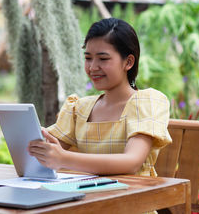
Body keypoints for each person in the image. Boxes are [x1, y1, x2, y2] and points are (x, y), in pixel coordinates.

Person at [28, 18, 171, 176]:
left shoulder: (146, 102)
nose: (93, 67)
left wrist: (63, 158)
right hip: (88, 196)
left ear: (128, 62)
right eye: (88, 58)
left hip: (135, 195)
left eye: (103, 59)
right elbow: (44, 153)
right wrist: (37, 143)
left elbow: (132, 162)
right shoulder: (80, 109)